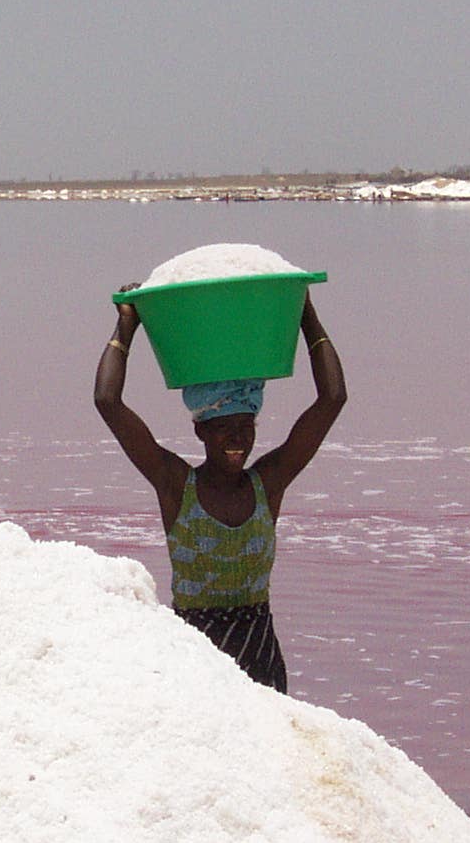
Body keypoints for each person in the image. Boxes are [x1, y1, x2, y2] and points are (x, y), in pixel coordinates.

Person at [94, 287, 345, 693]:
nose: (238, 439)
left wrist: (304, 313)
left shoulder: (269, 482)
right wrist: (127, 324)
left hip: (261, 662)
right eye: (224, 428)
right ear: (200, 430)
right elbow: (107, 401)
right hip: (195, 667)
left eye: (246, 427)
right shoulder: (176, 485)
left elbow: (333, 398)